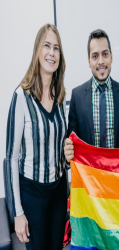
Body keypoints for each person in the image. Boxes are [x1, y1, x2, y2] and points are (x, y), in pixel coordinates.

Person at [5, 24, 67, 250]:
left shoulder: (60, 95)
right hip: (32, 197)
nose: (52, 53)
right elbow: (11, 158)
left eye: (57, 48)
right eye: (47, 46)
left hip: (59, 193)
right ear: (37, 51)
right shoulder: (21, 96)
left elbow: (62, 148)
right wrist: (17, 213)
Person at [64, 29, 119, 161]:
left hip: (117, 176)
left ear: (111, 56)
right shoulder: (77, 96)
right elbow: (72, 145)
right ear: (89, 61)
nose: (101, 61)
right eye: (95, 56)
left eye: (105, 54)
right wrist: (67, 152)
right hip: (90, 178)